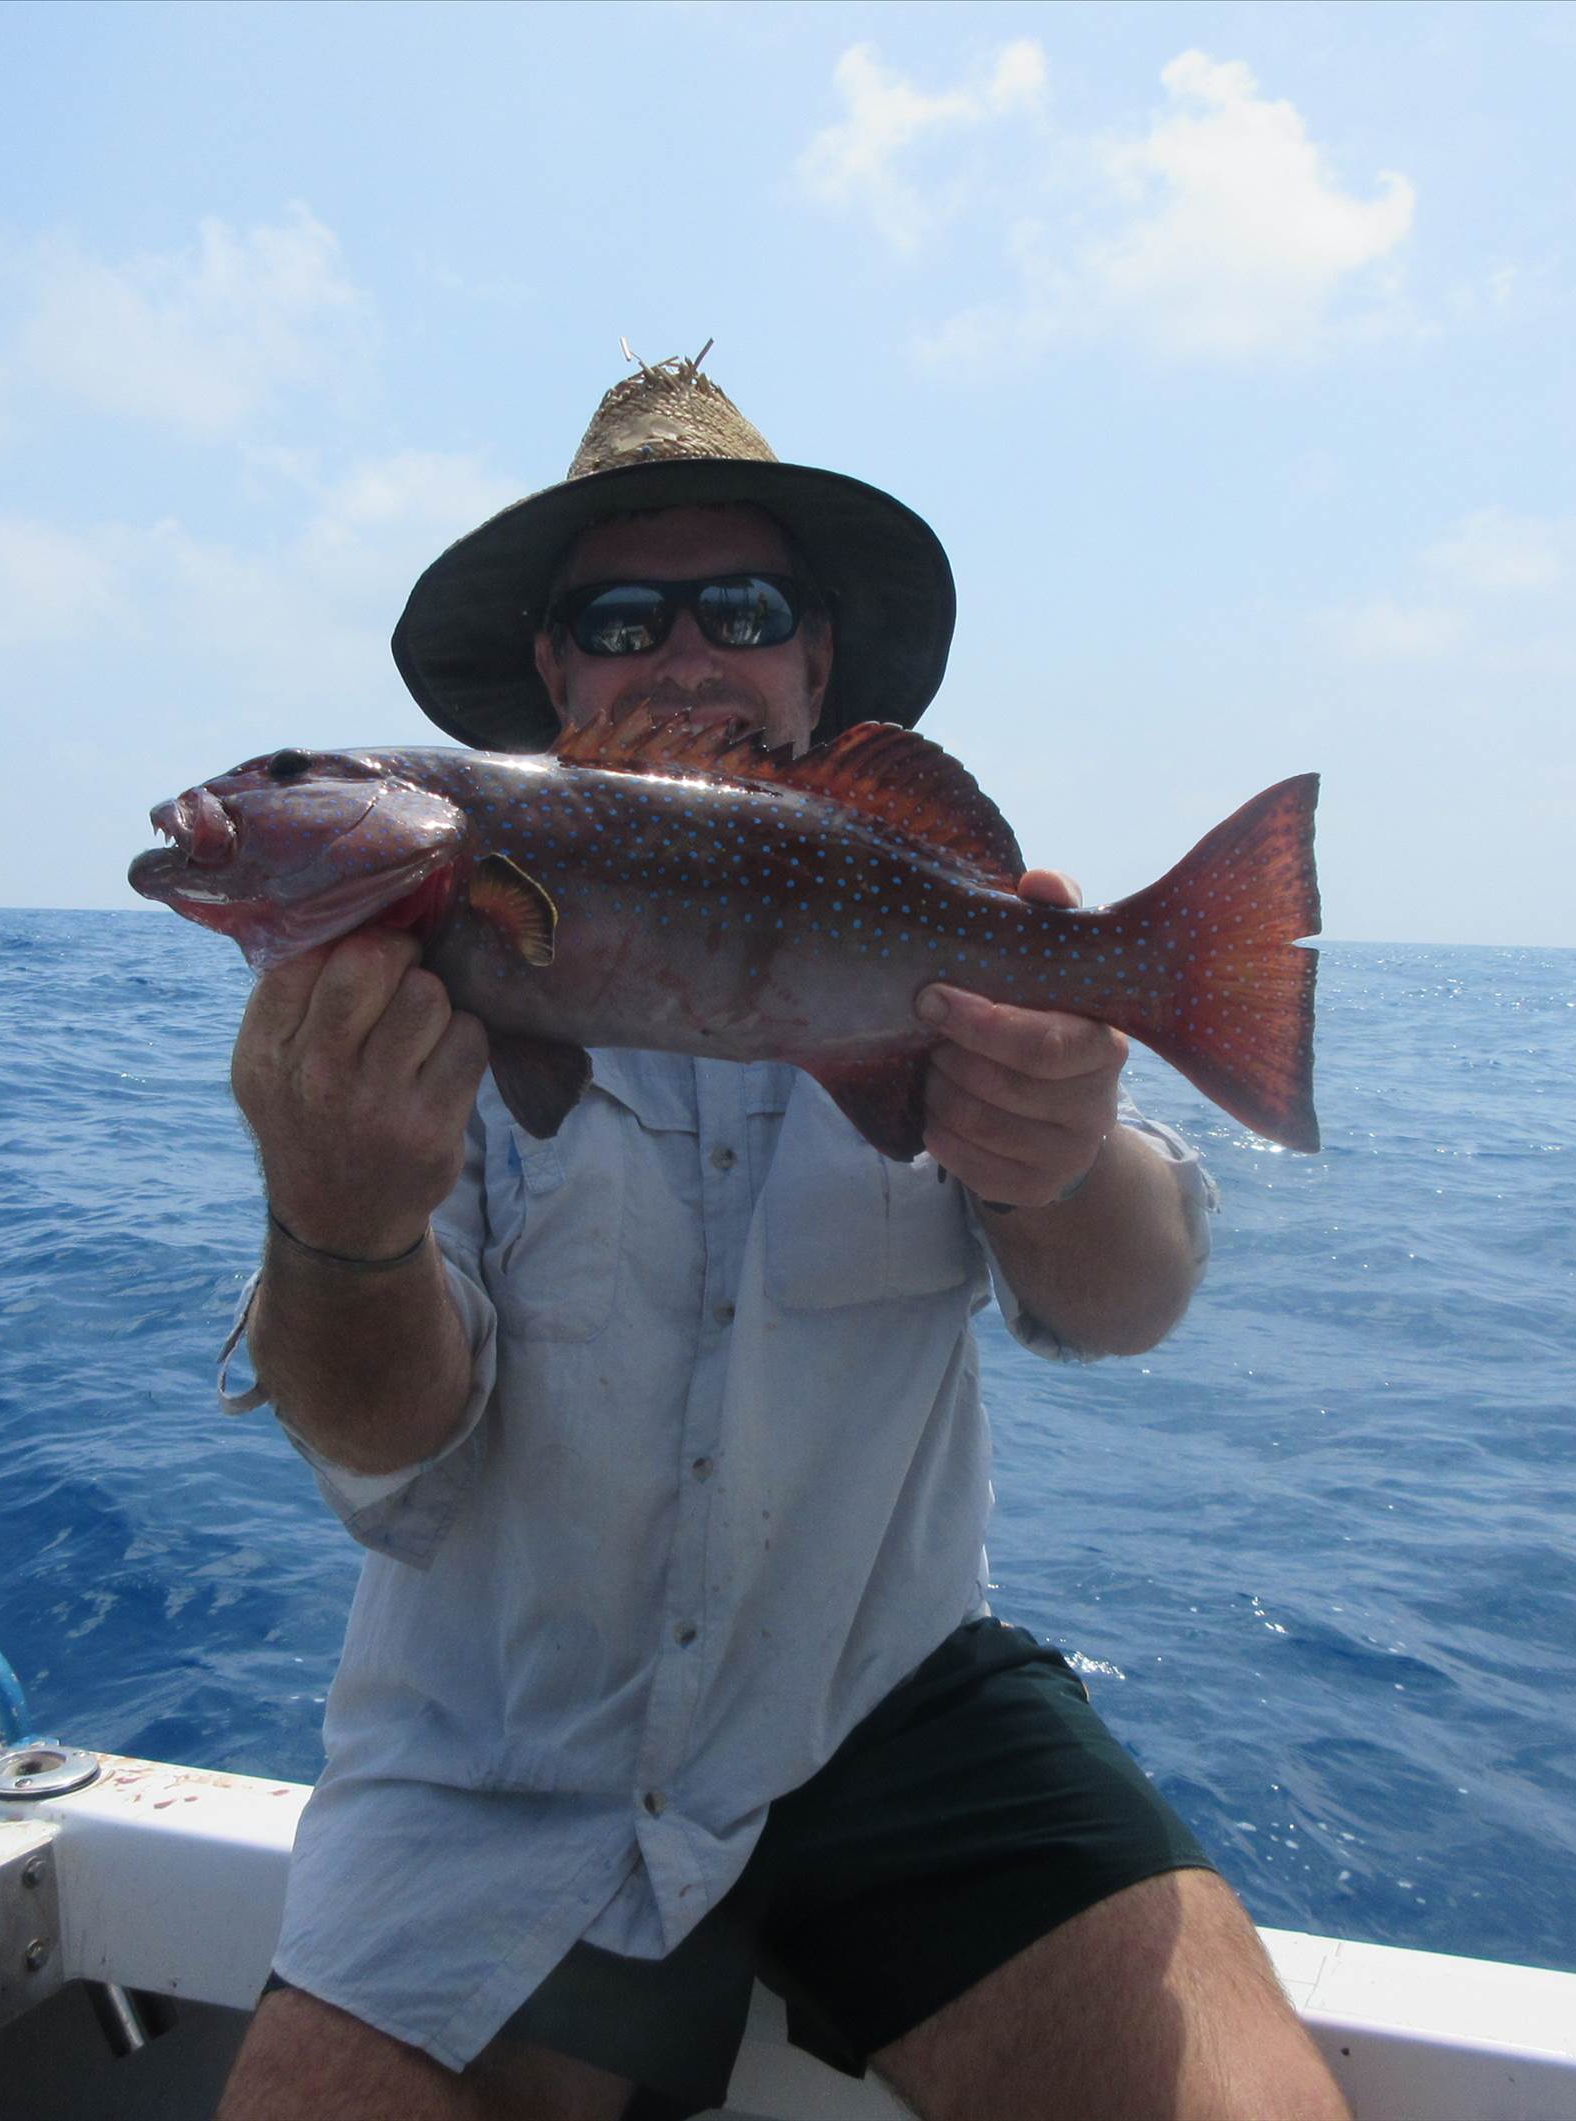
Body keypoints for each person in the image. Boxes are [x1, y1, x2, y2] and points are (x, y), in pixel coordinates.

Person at [211, 357, 1348, 2121]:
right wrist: (336, 1222)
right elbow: (385, 1449)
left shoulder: (940, 925)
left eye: (740, 608)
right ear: (551, 673)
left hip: (888, 1703)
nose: (682, 655)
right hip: (505, 1756)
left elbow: (1131, 1299)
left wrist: (1053, 1162)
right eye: (618, 617)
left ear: (818, 660)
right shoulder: (394, 994)